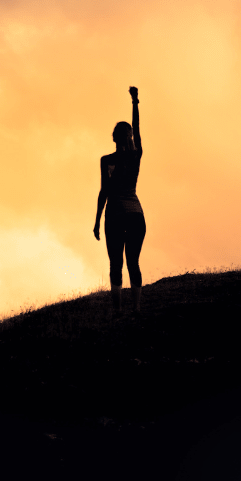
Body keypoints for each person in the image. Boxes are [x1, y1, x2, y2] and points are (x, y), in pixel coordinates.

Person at [93, 86, 146, 313]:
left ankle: (121, 312)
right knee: (130, 263)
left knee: (118, 265)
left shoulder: (119, 158)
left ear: (116, 137)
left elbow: (104, 192)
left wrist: (96, 221)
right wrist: (134, 102)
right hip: (132, 215)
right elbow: (104, 191)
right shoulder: (127, 157)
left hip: (117, 216)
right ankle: (133, 310)